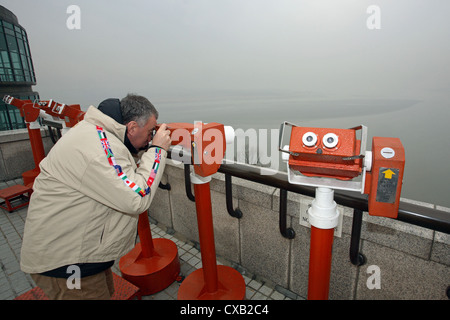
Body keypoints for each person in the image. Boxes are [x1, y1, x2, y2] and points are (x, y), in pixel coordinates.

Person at [20, 94, 172, 299]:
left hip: (77, 253)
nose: (150, 137)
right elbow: (137, 197)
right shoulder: (102, 149)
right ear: (133, 127)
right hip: (67, 264)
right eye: (150, 131)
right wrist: (157, 149)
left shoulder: (95, 132)